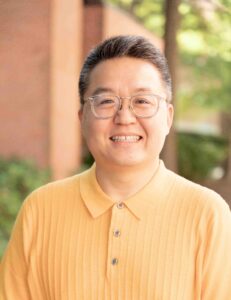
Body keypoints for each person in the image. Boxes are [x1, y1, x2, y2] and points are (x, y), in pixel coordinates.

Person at [0, 35, 231, 300]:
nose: (124, 118)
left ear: (168, 117)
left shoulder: (207, 214)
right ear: (82, 118)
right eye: (106, 101)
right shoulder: (39, 210)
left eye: (142, 101)